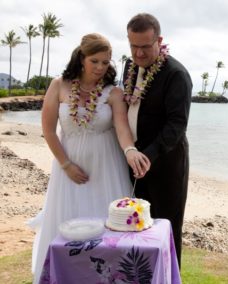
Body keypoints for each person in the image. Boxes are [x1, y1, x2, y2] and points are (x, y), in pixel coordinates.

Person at [30, 33, 144, 283]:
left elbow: (123, 131)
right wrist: (66, 164)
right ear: (82, 58)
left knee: (108, 231)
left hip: (107, 169)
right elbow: (48, 131)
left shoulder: (113, 92)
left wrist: (130, 151)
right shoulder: (58, 85)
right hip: (68, 170)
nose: (101, 67)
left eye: (106, 62)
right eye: (95, 61)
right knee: (67, 228)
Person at [122, 13, 192, 266]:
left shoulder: (176, 74)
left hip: (166, 165)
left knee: (166, 227)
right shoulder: (129, 67)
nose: (138, 54)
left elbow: (177, 126)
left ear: (159, 40)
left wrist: (147, 156)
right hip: (134, 161)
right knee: (135, 225)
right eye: (133, 46)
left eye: (145, 47)